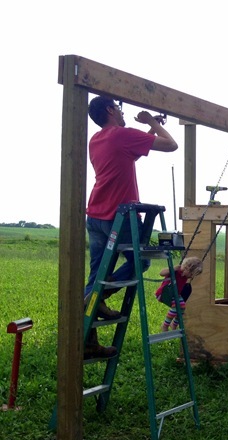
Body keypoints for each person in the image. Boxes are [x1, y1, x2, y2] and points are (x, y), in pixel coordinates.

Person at [84, 96, 178, 359]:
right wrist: (150, 121)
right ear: (110, 110)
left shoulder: (98, 139)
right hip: (120, 215)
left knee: (95, 277)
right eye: (119, 108)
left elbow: (131, 152)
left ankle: (89, 340)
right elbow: (172, 145)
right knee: (141, 263)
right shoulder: (121, 135)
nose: (123, 113)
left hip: (96, 216)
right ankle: (98, 297)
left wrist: (150, 128)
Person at [155, 257, 203, 331]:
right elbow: (161, 273)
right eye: (192, 274)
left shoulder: (185, 275)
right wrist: (173, 269)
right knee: (176, 306)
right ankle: (165, 325)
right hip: (164, 293)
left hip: (175, 295)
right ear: (187, 268)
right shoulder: (176, 271)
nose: (192, 276)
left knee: (182, 307)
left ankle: (174, 324)